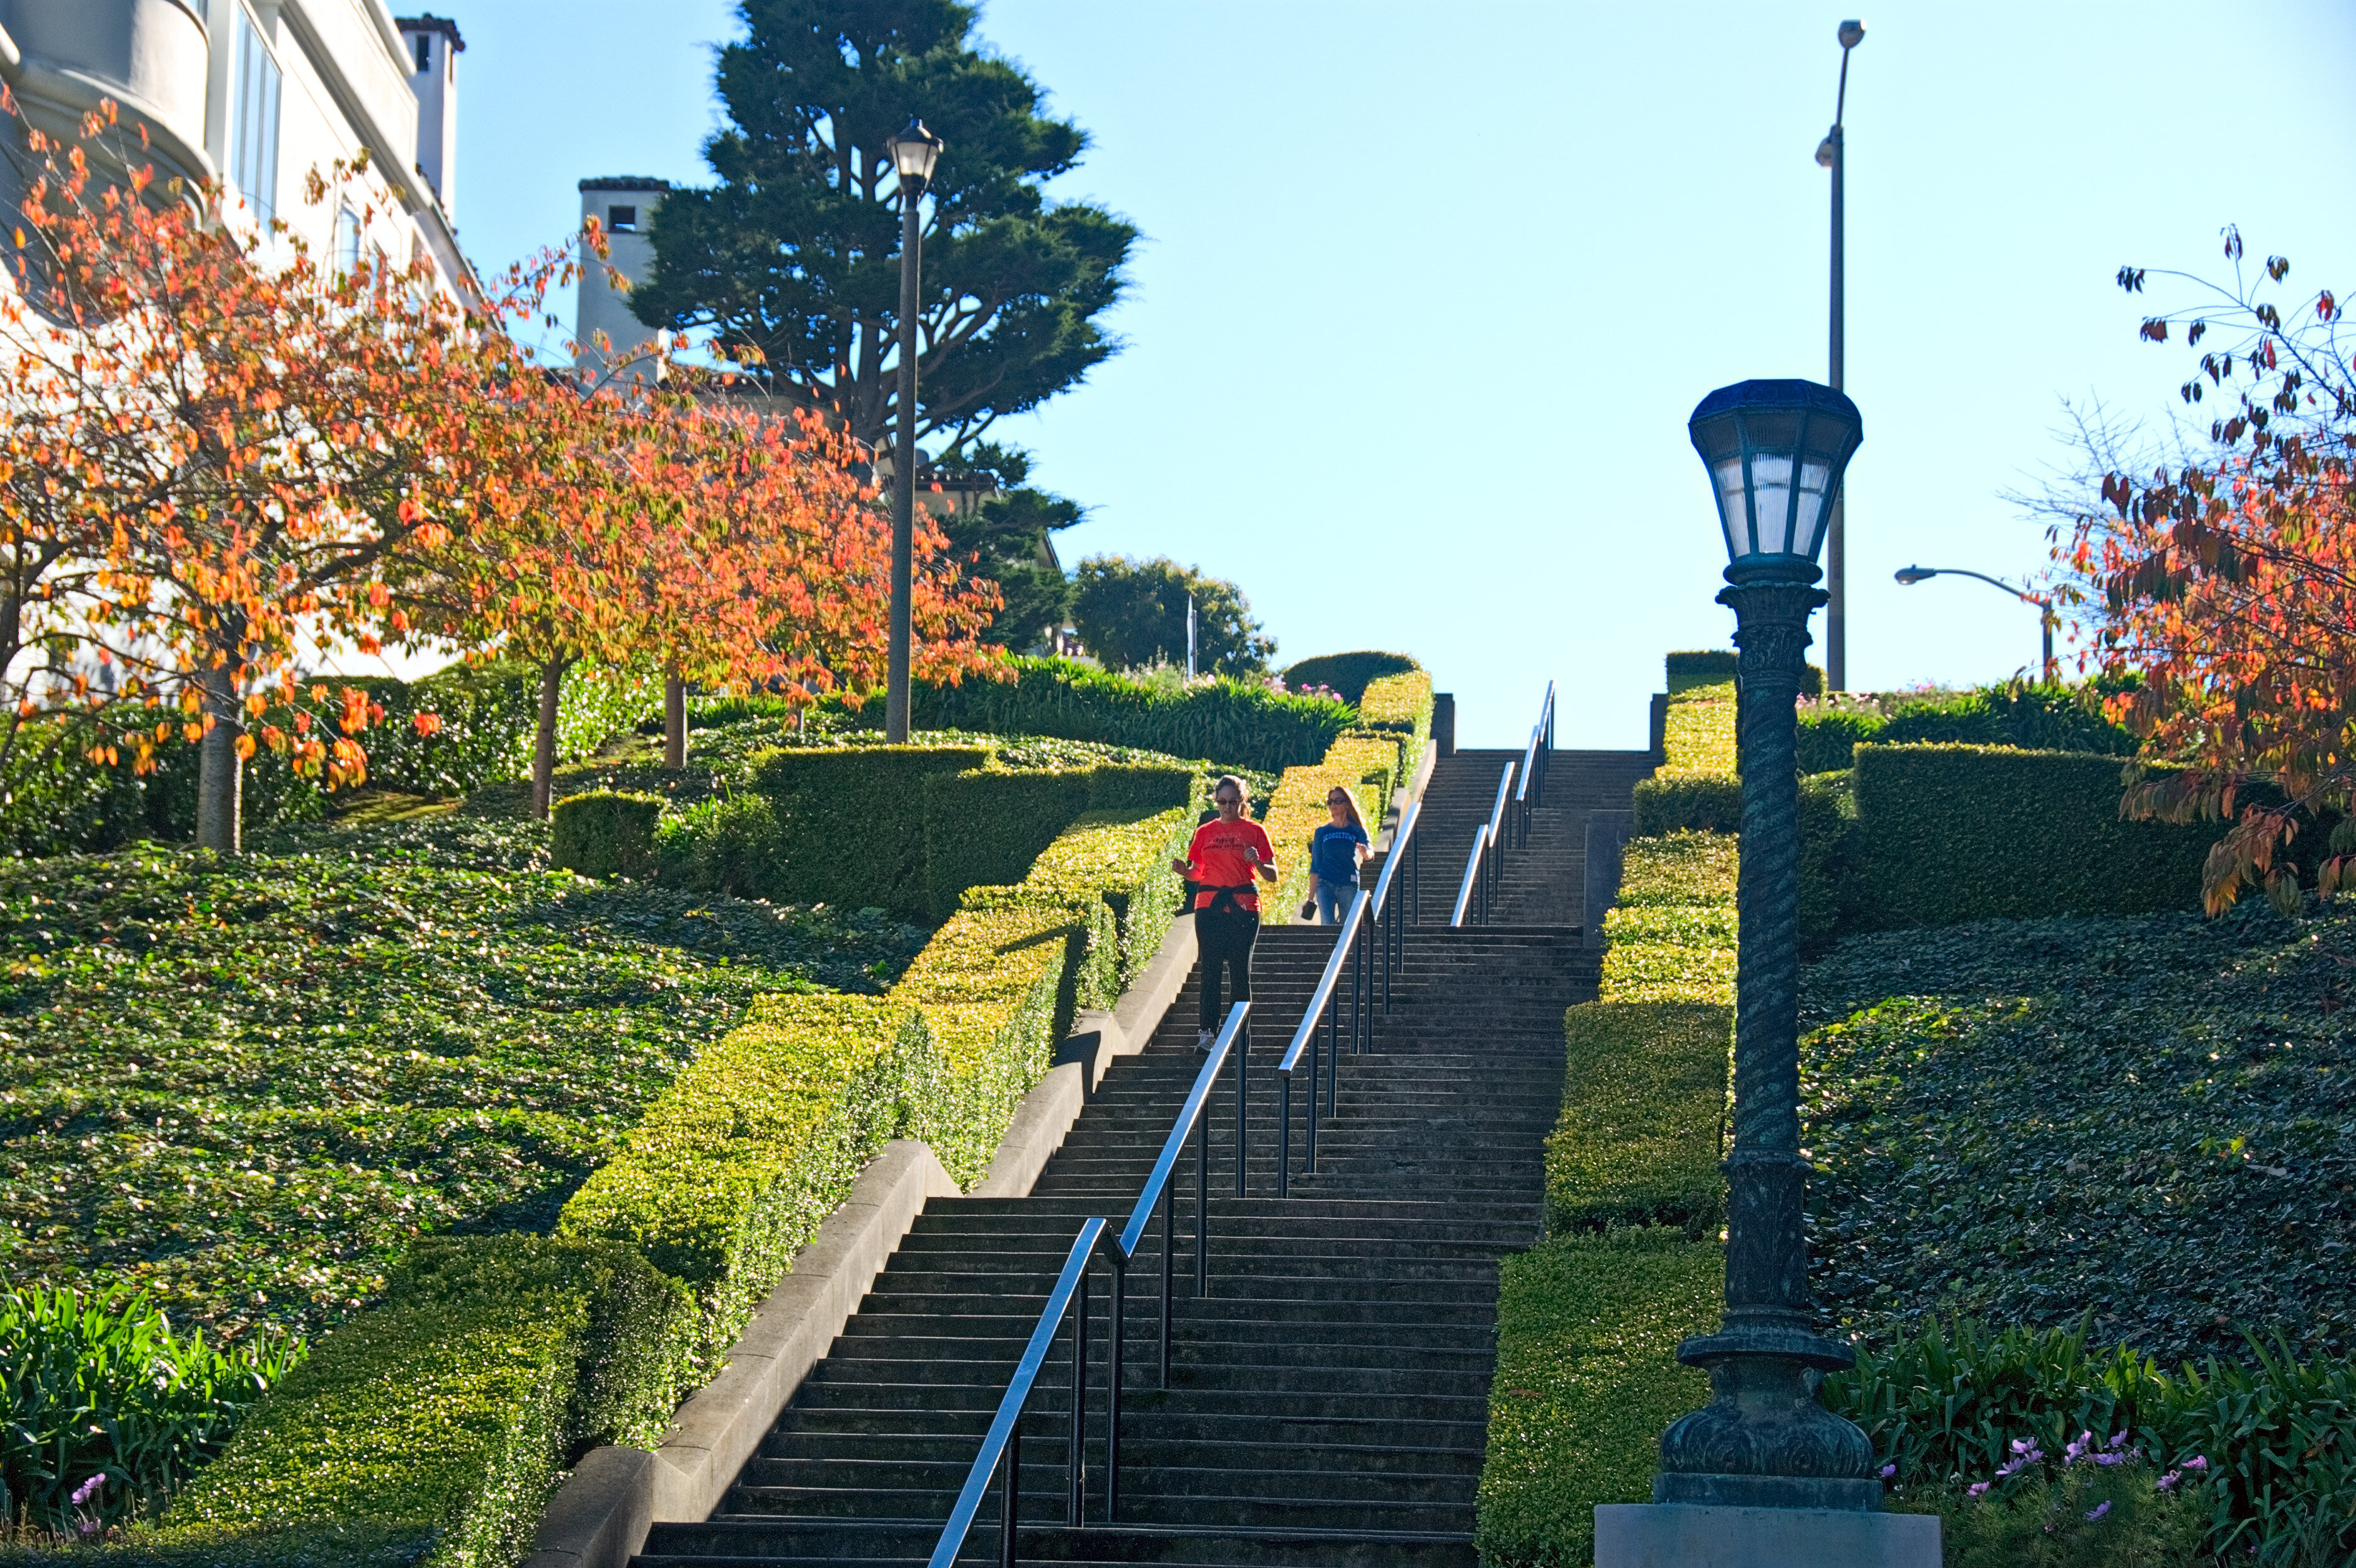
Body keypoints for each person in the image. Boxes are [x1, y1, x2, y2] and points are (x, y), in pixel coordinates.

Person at [1173, 774, 1277, 1050]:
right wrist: (1185, 872)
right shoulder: (1205, 832)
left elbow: (1272, 875)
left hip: (1243, 905)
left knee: (1240, 970)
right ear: (1216, 802)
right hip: (1209, 905)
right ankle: (1207, 1033)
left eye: (1233, 802)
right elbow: (1198, 872)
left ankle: (1238, 1036)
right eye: (1222, 802)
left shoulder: (1255, 831)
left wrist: (1258, 861)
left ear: (1242, 801)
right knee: (1210, 969)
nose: (1227, 807)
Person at [1307, 787, 1371, 924]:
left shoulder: (1357, 830)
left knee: (1347, 926)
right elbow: (1316, 865)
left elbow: (1370, 853)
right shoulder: (1322, 832)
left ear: (1347, 804)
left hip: (1348, 882)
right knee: (1327, 924)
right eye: (1330, 802)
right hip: (1325, 883)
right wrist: (1310, 898)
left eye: (1338, 801)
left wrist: (1366, 853)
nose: (1333, 805)